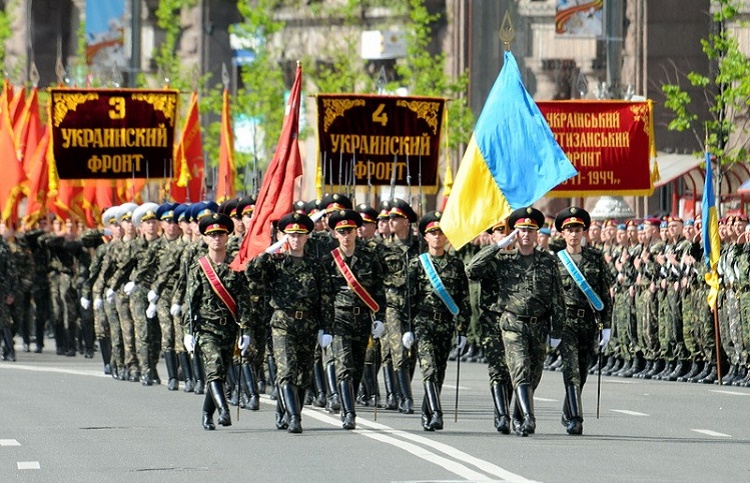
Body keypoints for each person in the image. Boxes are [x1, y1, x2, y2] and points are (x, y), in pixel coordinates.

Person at [466, 207, 565, 437]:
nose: (527, 235)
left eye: (531, 230)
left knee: (534, 373)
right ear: (515, 234)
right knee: (518, 367)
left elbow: (557, 296)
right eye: (522, 230)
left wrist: (557, 329)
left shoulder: (547, 261)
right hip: (512, 323)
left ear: (537, 233)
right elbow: (472, 269)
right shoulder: (504, 259)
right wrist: (498, 246)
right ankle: (529, 417)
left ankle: (520, 413)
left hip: (539, 324)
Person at [247, 212, 333, 433]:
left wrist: (326, 328)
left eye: (300, 235)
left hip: (308, 324)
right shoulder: (276, 262)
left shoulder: (316, 265)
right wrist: (270, 250)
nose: (295, 239)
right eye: (291, 235)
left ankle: (286, 410)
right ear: (285, 236)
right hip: (282, 323)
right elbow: (252, 272)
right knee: (286, 370)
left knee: (303, 376)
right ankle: (295, 418)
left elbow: (325, 298)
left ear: (306, 237)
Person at [185, 213, 252, 430]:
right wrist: (188, 331)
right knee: (214, 368)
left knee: (220, 373)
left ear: (227, 237)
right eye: (212, 235)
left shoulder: (236, 268)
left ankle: (207, 413)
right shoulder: (198, 268)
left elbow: (244, 302)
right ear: (205, 238)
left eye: (221, 234)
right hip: (206, 328)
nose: (217, 239)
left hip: (229, 327)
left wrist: (246, 331)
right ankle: (224, 410)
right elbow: (190, 302)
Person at [406, 211, 470, 431]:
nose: (437, 237)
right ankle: (436, 412)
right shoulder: (417, 264)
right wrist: (408, 329)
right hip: (423, 322)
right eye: (432, 233)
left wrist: (463, 330)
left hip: (446, 324)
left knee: (440, 370)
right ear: (425, 237)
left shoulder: (456, 265)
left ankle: (427, 412)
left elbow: (463, 298)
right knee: (429, 368)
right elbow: (409, 299)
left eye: (440, 233)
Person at [322, 209, 386, 430]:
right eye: (341, 231)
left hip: (363, 319)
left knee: (358, 367)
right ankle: (349, 413)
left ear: (356, 232)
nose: (346, 235)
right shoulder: (329, 261)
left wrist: (381, 318)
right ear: (335, 234)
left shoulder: (370, 257)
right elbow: (324, 295)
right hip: (339, 319)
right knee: (344, 366)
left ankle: (350, 404)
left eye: (349, 230)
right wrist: (324, 326)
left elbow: (378, 289)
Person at [553, 207, 613, 435]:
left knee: (584, 370)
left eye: (577, 229)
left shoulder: (595, 258)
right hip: (566, 322)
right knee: (571, 370)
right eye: (569, 230)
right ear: (563, 234)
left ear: (583, 232)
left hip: (589, 323)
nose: (574, 234)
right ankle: (576, 419)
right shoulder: (556, 261)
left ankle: (568, 409)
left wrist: (606, 326)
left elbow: (605, 294)